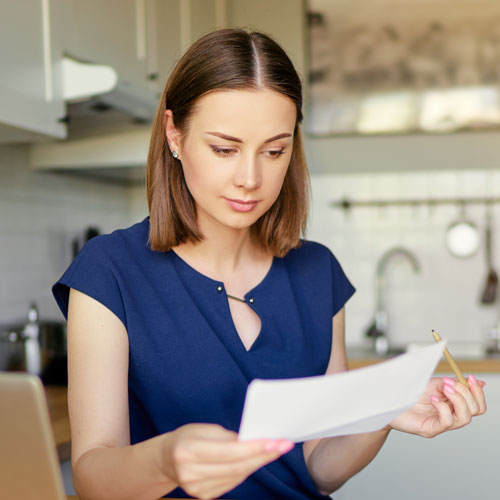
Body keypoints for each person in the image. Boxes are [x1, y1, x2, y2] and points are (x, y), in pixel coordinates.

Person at [52, 28, 486, 500]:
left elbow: (319, 467)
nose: (250, 178)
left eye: (274, 150)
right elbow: (93, 476)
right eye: (224, 149)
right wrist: (165, 460)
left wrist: (382, 412)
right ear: (174, 133)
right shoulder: (110, 271)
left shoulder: (318, 273)